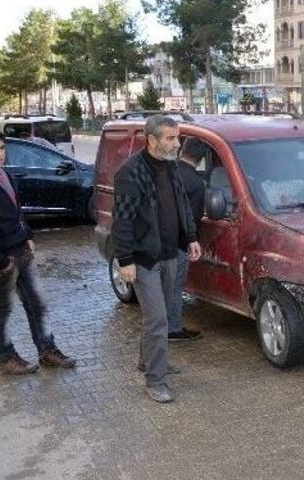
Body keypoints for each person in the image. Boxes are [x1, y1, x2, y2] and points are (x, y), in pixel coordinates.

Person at [0, 126, 76, 374]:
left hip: (23, 252)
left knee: (37, 304)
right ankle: (5, 358)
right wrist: (0, 262)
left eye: (2, 148)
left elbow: (16, 211)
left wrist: (28, 236)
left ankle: (47, 350)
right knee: (1, 310)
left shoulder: (4, 176)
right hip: (2, 260)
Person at [112, 115, 202, 403]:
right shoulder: (130, 172)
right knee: (158, 320)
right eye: (170, 138)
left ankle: (148, 362)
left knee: (157, 317)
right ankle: (156, 380)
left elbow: (182, 205)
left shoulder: (172, 166)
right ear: (151, 140)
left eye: (178, 138)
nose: (177, 144)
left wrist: (190, 237)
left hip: (170, 253)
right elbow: (122, 220)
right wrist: (125, 259)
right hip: (144, 259)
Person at [168, 137, 207, 341]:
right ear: (201, 159)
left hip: (156, 239)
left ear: (182, 149)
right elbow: (193, 218)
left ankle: (160, 326)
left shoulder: (166, 171)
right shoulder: (196, 183)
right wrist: (191, 240)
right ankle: (172, 329)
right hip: (177, 244)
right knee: (175, 287)